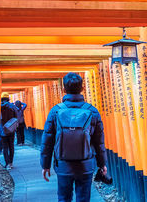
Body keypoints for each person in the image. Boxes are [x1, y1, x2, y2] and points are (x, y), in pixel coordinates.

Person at [40, 72, 107, 202]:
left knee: (64, 198)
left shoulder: (56, 111)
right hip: (86, 165)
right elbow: (99, 142)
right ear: (82, 88)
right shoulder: (92, 111)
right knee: (83, 198)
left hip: (63, 165)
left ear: (64, 90)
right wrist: (102, 163)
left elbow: (47, 141)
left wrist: (45, 165)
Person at [0, 92, 18, 170]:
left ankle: (7, 163)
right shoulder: (12, 106)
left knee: (5, 147)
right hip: (11, 129)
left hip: (3, 130)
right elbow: (16, 116)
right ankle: (11, 163)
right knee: (11, 146)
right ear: (8, 98)